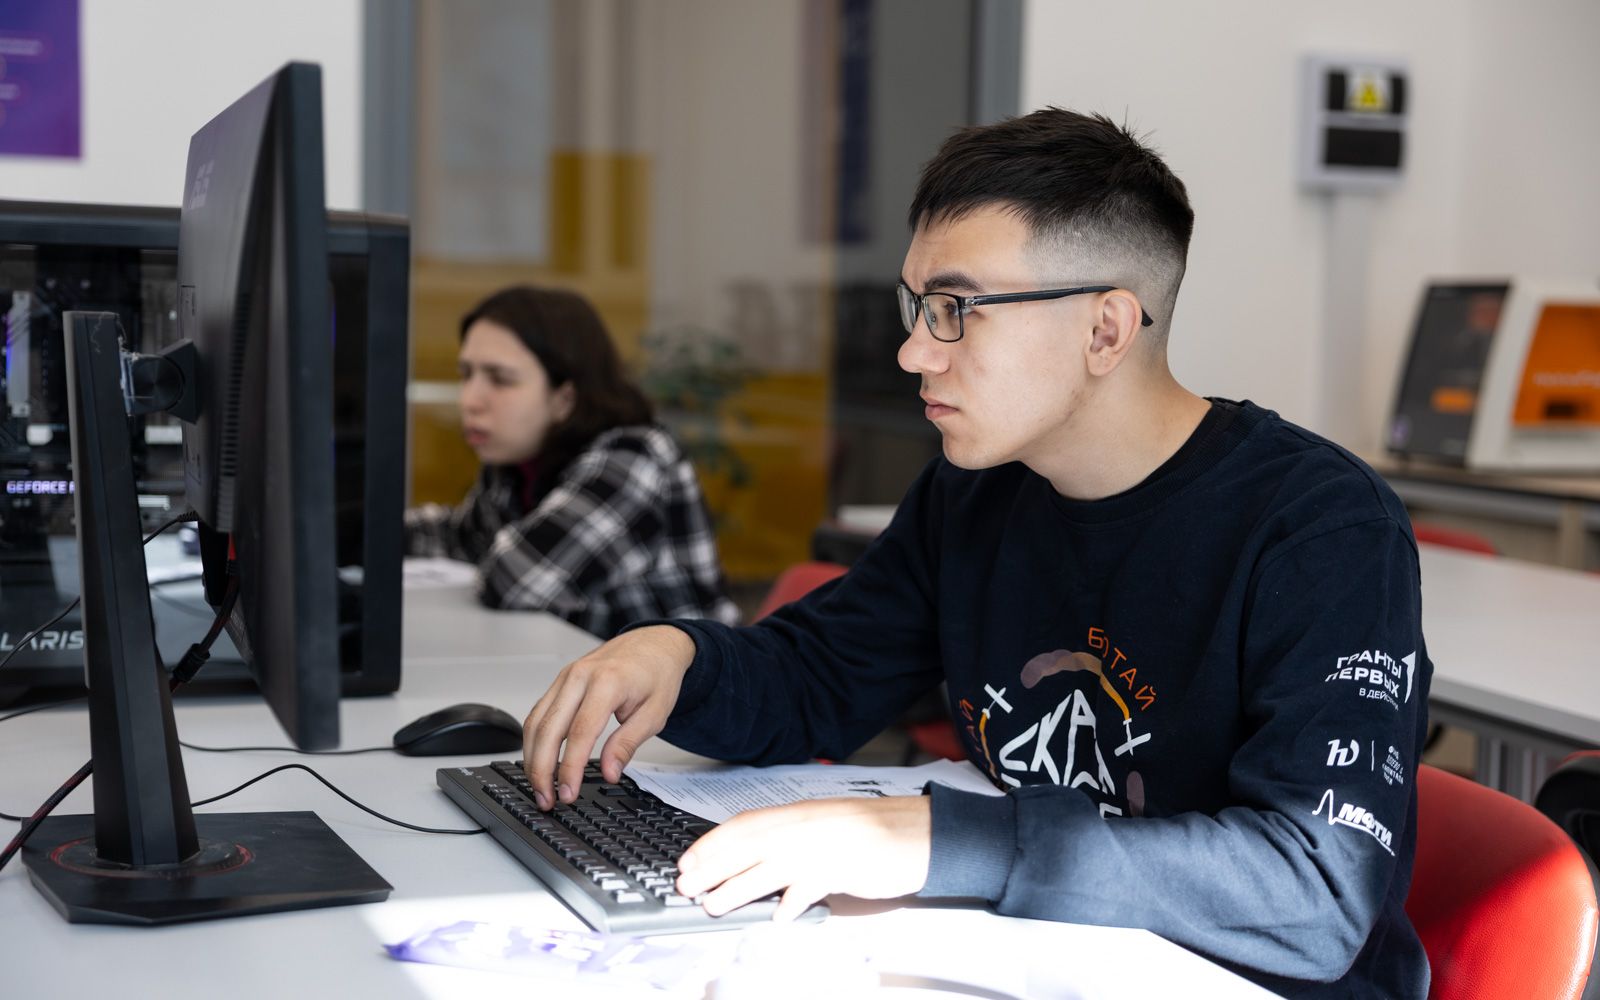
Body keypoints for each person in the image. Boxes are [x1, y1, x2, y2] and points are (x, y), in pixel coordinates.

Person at [519, 110, 1431, 997]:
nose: (916, 352)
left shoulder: (1322, 529)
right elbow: (822, 676)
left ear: (1106, 331)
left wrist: (921, 840)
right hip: (1036, 957)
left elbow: (1315, 891)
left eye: (957, 309)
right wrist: (677, 658)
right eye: (918, 307)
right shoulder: (979, 492)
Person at [404, 285, 739, 638]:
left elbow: (517, 582)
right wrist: (369, 529)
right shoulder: (518, 464)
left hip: (689, 673)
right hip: (581, 662)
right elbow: (462, 538)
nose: (470, 400)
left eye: (500, 380)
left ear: (564, 398)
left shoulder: (633, 458)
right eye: (466, 374)